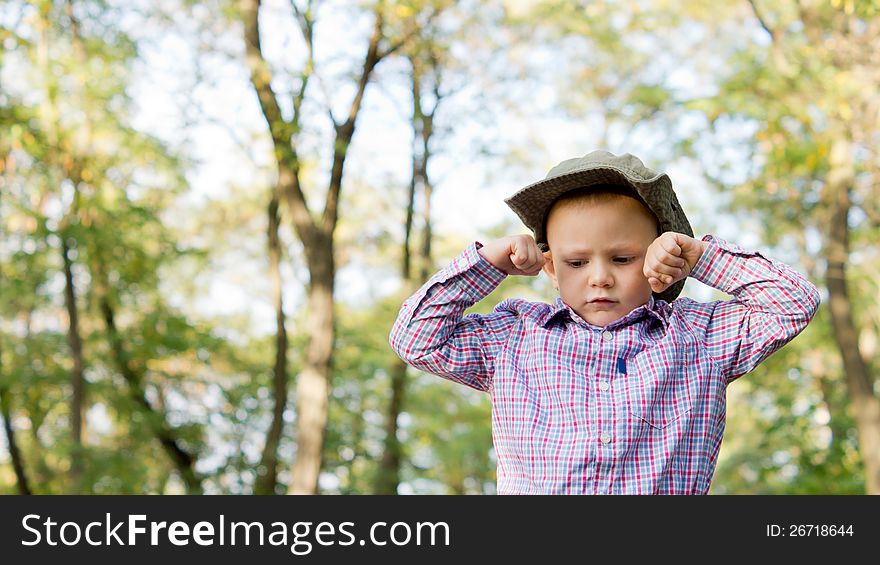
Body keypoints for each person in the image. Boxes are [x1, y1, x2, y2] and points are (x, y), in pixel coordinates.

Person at [389, 150, 820, 494]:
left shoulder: (699, 337)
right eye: (576, 262)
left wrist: (699, 257)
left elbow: (793, 303)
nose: (599, 276)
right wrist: (487, 263)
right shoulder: (514, 337)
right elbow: (415, 338)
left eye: (623, 258)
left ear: (656, 258)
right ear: (551, 269)